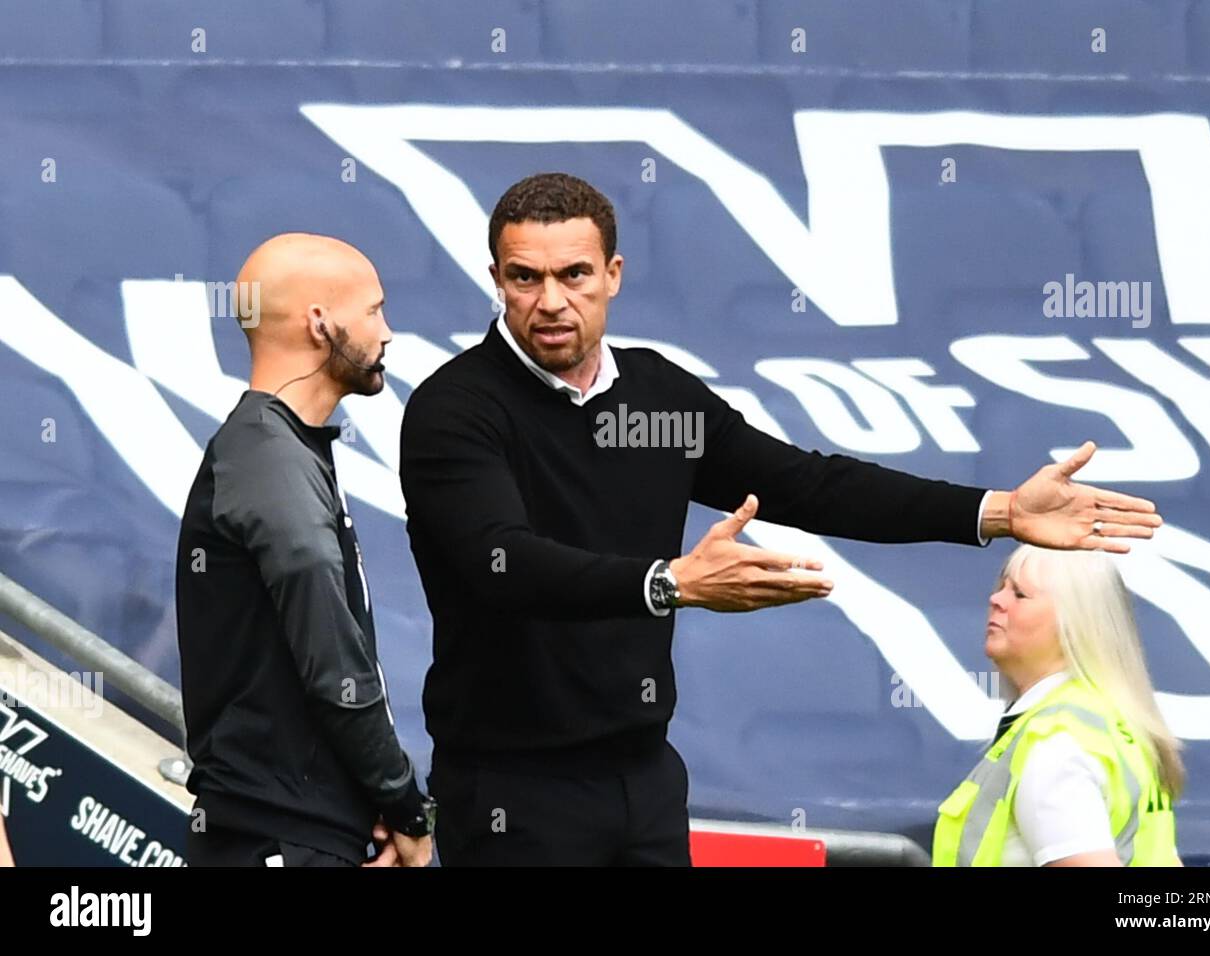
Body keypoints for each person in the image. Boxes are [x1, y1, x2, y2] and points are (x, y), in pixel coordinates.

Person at [399, 172, 1163, 866]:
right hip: (511, 791)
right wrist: (667, 584)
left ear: (613, 276)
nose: (551, 301)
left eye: (573, 275)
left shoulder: (658, 400)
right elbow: (500, 562)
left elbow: (806, 483)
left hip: (644, 779)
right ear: (496, 280)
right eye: (525, 279)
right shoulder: (456, 410)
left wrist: (993, 511)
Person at [176, 233, 432, 867]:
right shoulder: (270, 461)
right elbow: (336, 667)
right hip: (277, 834)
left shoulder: (279, 451)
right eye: (374, 310)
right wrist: (404, 806)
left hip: (299, 828)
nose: (388, 332)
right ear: (321, 322)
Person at [932, 544, 1184, 866]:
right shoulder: (1110, 725)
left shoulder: (1057, 746)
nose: (996, 600)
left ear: (1075, 622)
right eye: (1002, 587)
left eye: (1020, 594)